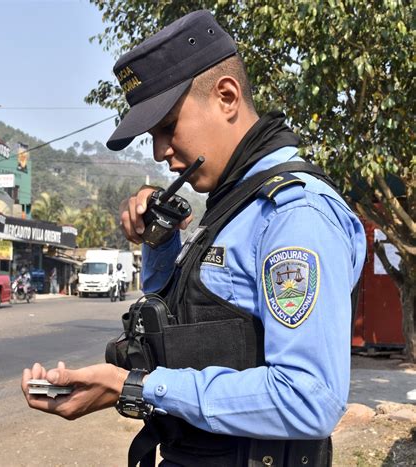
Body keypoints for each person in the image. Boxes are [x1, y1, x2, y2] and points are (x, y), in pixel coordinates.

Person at [21, 10, 366, 466]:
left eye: (167, 127)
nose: (160, 152)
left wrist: (139, 387)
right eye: (152, 136)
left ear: (226, 97)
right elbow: (189, 323)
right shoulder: (233, 205)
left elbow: (309, 399)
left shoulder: (294, 215)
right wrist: (160, 241)